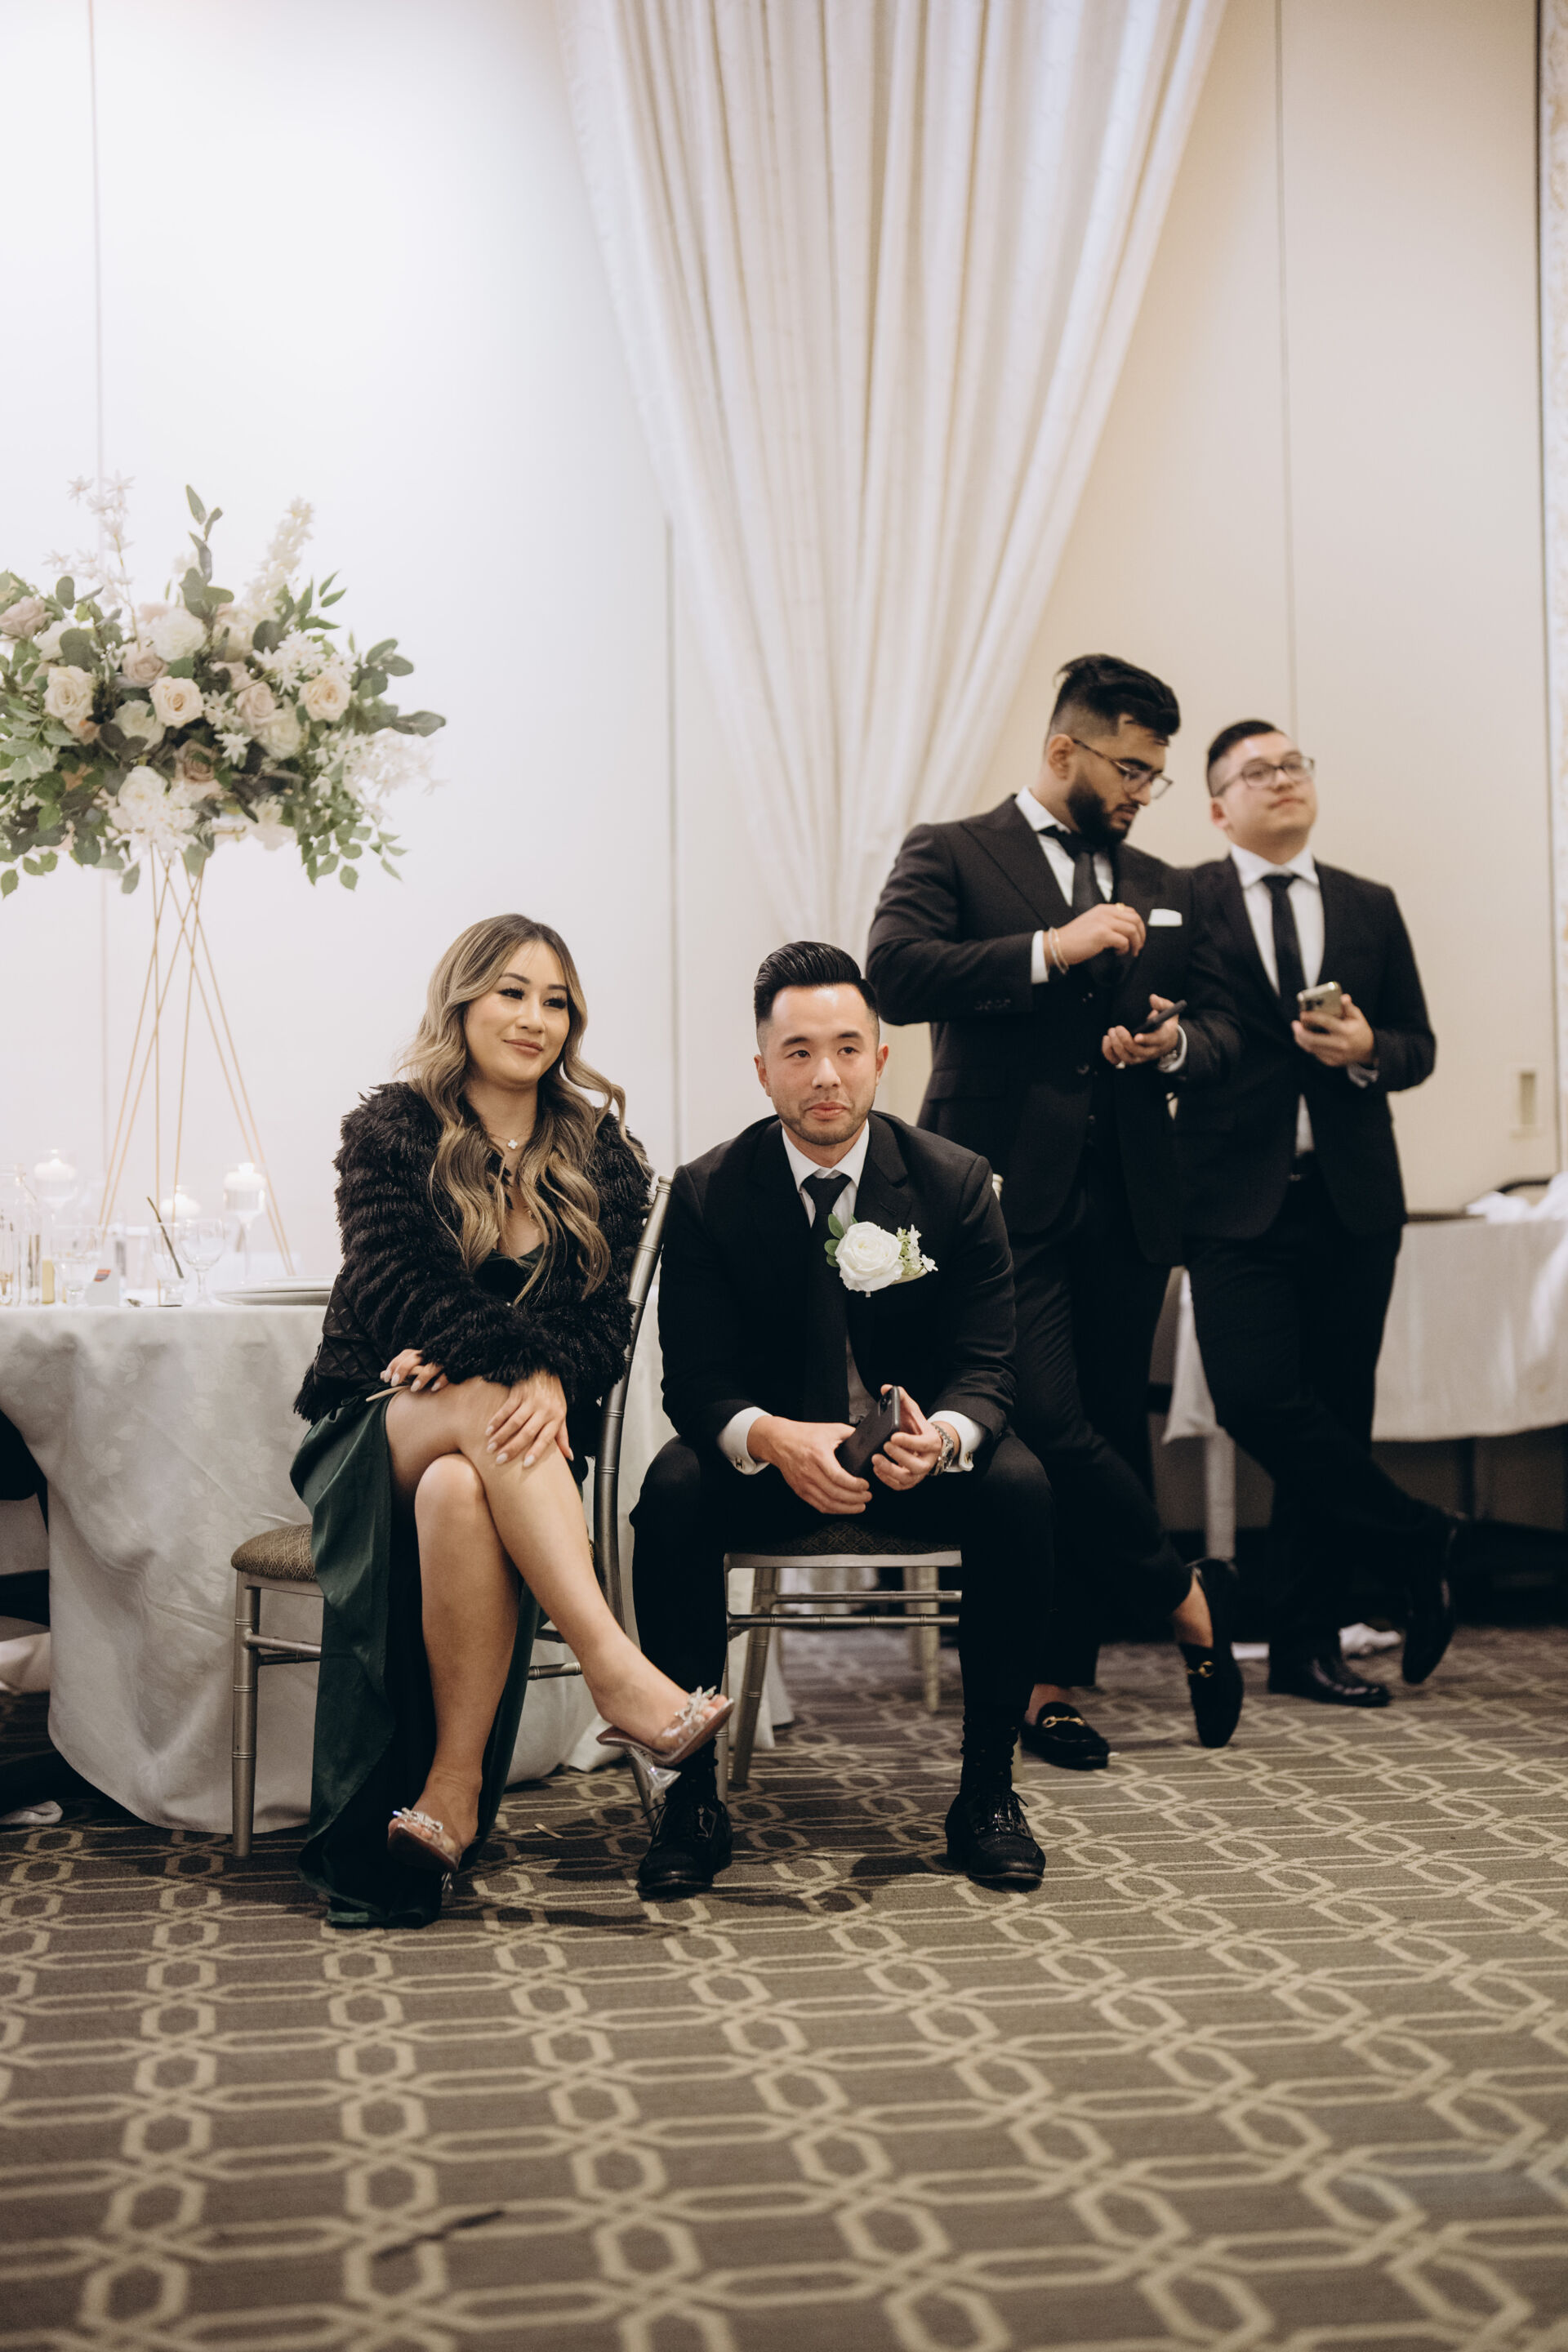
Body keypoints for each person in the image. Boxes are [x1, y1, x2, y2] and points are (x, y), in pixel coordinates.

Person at [291, 914, 728, 1929]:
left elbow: (605, 1329)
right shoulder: (391, 1130)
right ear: (463, 1001)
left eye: (556, 1001)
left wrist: (542, 1371)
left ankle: (449, 1794)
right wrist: (530, 1365)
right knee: (478, 1415)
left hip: (500, 1453)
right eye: (513, 993)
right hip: (373, 1426)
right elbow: (399, 1290)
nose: (536, 1018)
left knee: (461, 1484)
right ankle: (616, 1672)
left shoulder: (601, 1152)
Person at [866, 653, 1243, 1772]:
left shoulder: (1166, 879)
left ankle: (1054, 1681)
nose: (1142, 792)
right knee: (1035, 1421)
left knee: (1108, 1430)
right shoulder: (951, 849)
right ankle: (1187, 1601)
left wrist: (1171, 1044)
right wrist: (1048, 951)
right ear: (1065, 748)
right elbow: (894, 974)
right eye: (1130, 769)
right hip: (992, 1194)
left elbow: (1225, 1030)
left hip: (1129, 1197)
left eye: (1156, 775)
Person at [630, 942, 1054, 1895]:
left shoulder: (953, 1183)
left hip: (914, 1467)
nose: (826, 1074)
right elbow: (694, 1383)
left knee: (1022, 1485)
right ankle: (690, 1796)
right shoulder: (707, 1193)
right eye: (799, 1052)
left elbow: (990, 1368)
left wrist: (943, 1440)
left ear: (881, 1059)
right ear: (762, 1069)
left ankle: (987, 1791)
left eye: (848, 1049)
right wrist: (771, 1438)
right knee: (673, 1488)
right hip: (773, 1472)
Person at [1179, 723, 1459, 1704]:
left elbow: (1419, 1046)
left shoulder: (1368, 903)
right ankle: (1420, 1539)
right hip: (1230, 1202)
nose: (1283, 780)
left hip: (1353, 1200)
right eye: (1257, 771)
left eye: (1294, 764)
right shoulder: (1184, 900)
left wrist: (1369, 1048)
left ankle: (1306, 1646)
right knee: (1255, 1400)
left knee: (1338, 1416)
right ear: (1219, 807)